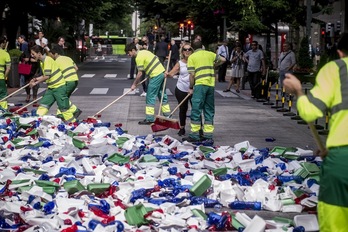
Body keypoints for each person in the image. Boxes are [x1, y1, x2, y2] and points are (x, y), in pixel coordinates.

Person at [283, 32, 348, 232]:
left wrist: (299, 92)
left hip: (342, 161)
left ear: (339, 52)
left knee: (336, 222)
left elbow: (310, 112)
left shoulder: (336, 69)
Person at [182, 40, 226, 143]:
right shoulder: (210, 54)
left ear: (192, 48)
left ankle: (194, 135)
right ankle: (208, 135)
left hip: (200, 85)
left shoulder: (192, 57)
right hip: (210, 85)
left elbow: (192, 75)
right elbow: (223, 59)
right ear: (202, 46)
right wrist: (214, 65)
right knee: (209, 110)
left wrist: (191, 87)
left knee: (196, 110)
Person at [29, 45, 79, 122]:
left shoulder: (47, 60)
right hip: (51, 88)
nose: (31, 56)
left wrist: (36, 83)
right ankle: (36, 120)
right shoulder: (42, 62)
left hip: (59, 87)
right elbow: (45, 75)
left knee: (63, 108)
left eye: (33, 54)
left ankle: (73, 123)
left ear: (39, 53)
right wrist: (35, 79)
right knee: (44, 104)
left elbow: (46, 76)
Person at [125, 43, 171, 125]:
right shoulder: (145, 52)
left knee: (150, 96)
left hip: (155, 75)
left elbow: (139, 73)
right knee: (162, 94)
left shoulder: (138, 58)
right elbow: (156, 58)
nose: (129, 55)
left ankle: (150, 119)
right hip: (161, 73)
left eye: (129, 53)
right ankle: (167, 116)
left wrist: (134, 84)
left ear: (133, 50)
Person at [166, 42, 193, 136]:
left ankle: (198, 129)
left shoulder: (196, 62)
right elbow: (172, 73)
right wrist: (167, 74)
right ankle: (182, 128)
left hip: (193, 89)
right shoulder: (180, 63)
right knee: (183, 109)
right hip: (181, 89)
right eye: (185, 49)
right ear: (182, 52)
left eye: (189, 49)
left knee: (196, 110)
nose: (187, 51)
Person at [0, 38, 11, 110]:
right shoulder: (5, 54)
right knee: (3, 95)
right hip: (1, 77)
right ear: (2, 43)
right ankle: (3, 111)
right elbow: (8, 68)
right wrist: (5, 77)